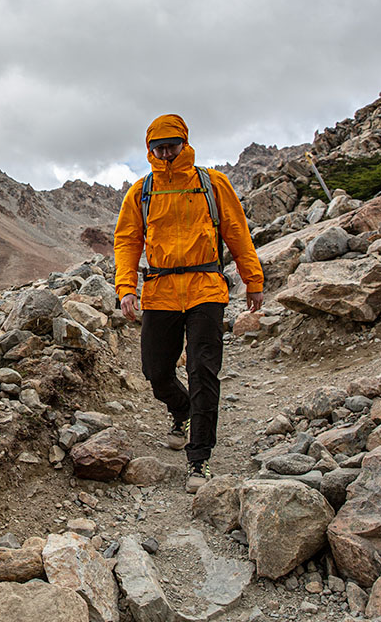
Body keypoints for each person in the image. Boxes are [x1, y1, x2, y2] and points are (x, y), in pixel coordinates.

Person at [114, 114, 264, 493]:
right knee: (155, 370)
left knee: (203, 371)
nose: (165, 152)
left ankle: (199, 459)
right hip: (161, 289)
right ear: (149, 149)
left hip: (206, 289)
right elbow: (128, 241)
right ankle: (181, 411)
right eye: (158, 147)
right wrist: (126, 288)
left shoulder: (213, 184)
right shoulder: (141, 191)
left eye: (171, 145)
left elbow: (237, 232)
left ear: (184, 143)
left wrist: (253, 280)